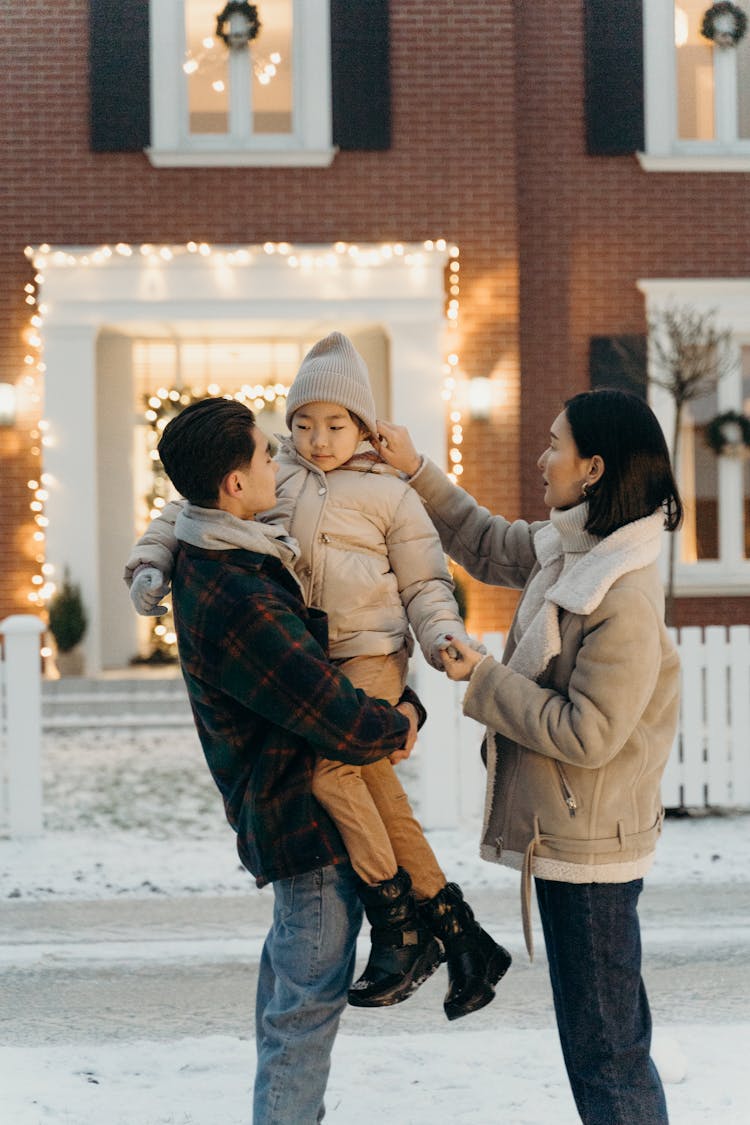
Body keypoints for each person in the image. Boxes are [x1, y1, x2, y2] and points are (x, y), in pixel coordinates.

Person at [125, 332, 510, 1022]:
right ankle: (459, 930)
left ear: (361, 424)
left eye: (334, 424)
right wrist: (150, 561)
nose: (316, 438)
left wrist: (442, 635)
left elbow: (425, 582)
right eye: (302, 423)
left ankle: (399, 921)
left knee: (335, 773)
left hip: (373, 653)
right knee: (374, 778)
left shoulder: (392, 494)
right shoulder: (276, 477)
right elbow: (185, 510)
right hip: (318, 656)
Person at [375, 388, 682, 1125]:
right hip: (567, 842)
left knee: (608, 1053)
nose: (543, 458)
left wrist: (483, 677)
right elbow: (483, 541)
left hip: (591, 857)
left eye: (555, 444)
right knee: (600, 1045)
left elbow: (587, 733)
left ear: (594, 468)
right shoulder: (571, 550)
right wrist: (417, 469)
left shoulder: (620, 591)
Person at [148, 395, 425, 1125]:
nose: (284, 459)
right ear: (233, 484)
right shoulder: (234, 591)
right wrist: (398, 721)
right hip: (304, 827)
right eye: (267, 454)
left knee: (288, 1021)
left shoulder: (226, 549)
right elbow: (326, 708)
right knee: (301, 1027)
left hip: (291, 820)